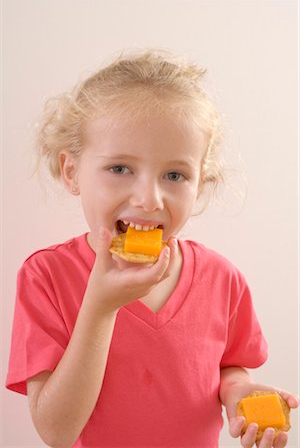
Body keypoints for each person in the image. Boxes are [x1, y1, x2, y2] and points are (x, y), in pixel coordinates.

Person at [6, 49, 298, 448]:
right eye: (120, 168)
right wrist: (100, 307)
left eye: (175, 174)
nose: (149, 199)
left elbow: (230, 365)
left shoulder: (221, 278)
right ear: (72, 171)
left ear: (201, 182)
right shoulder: (46, 277)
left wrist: (238, 394)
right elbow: (56, 432)